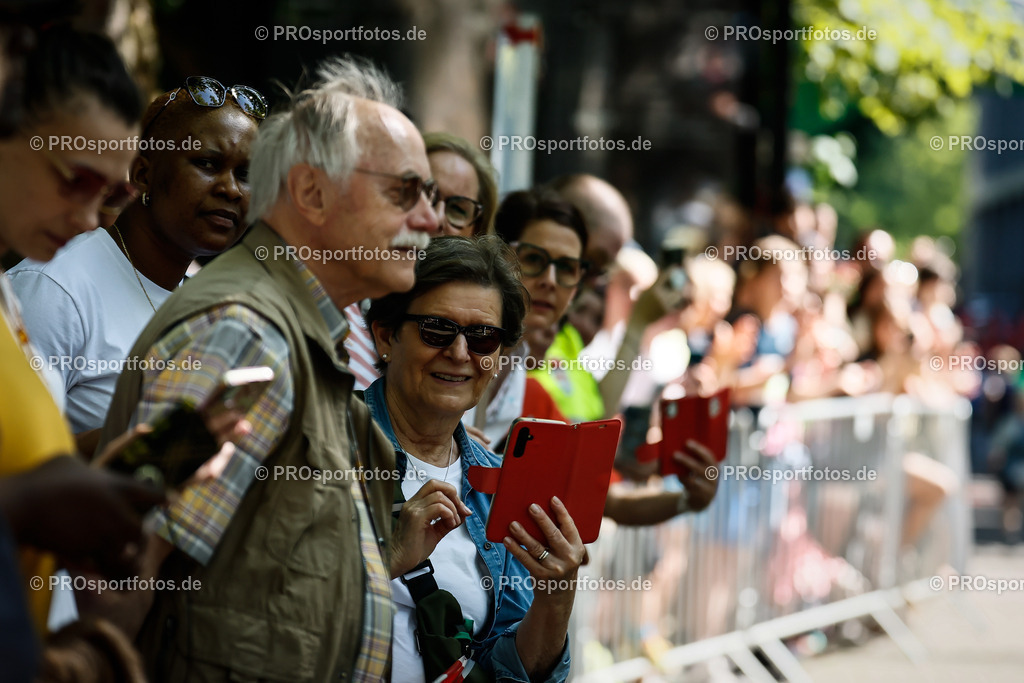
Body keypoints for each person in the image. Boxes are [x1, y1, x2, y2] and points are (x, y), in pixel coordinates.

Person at [95, 55, 438, 681]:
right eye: (404, 192)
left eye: (432, 197)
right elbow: (127, 553)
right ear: (311, 193)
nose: (430, 220)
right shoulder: (245, 333)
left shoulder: (290, 330)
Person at [0, 23, 168, 681]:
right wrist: (23, 506)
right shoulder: (45, 286)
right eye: (75, 180)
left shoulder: (10, 300)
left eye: (111, 196)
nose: (91, 218)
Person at [9, 76, 264, 457]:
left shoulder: (205, 304)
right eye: (208, 164)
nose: (231, 189)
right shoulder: (54, 288)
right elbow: (18, 461)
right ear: (143, 174)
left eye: (246, 175)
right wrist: (150, 435)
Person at [364, 235, 580, 681]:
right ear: (386, 335)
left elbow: (511, 669)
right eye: (436, 329)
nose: (460, 353)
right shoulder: (324, 443)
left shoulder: (501, 484)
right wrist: (388, 560)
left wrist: (556, 598)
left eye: (483, 338)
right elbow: (266, 597)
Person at [342, 131, 499, 391]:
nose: (436, 218)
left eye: (458, 209)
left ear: (477, 233)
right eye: (426, 195)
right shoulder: (341, 302)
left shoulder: (477, 347)